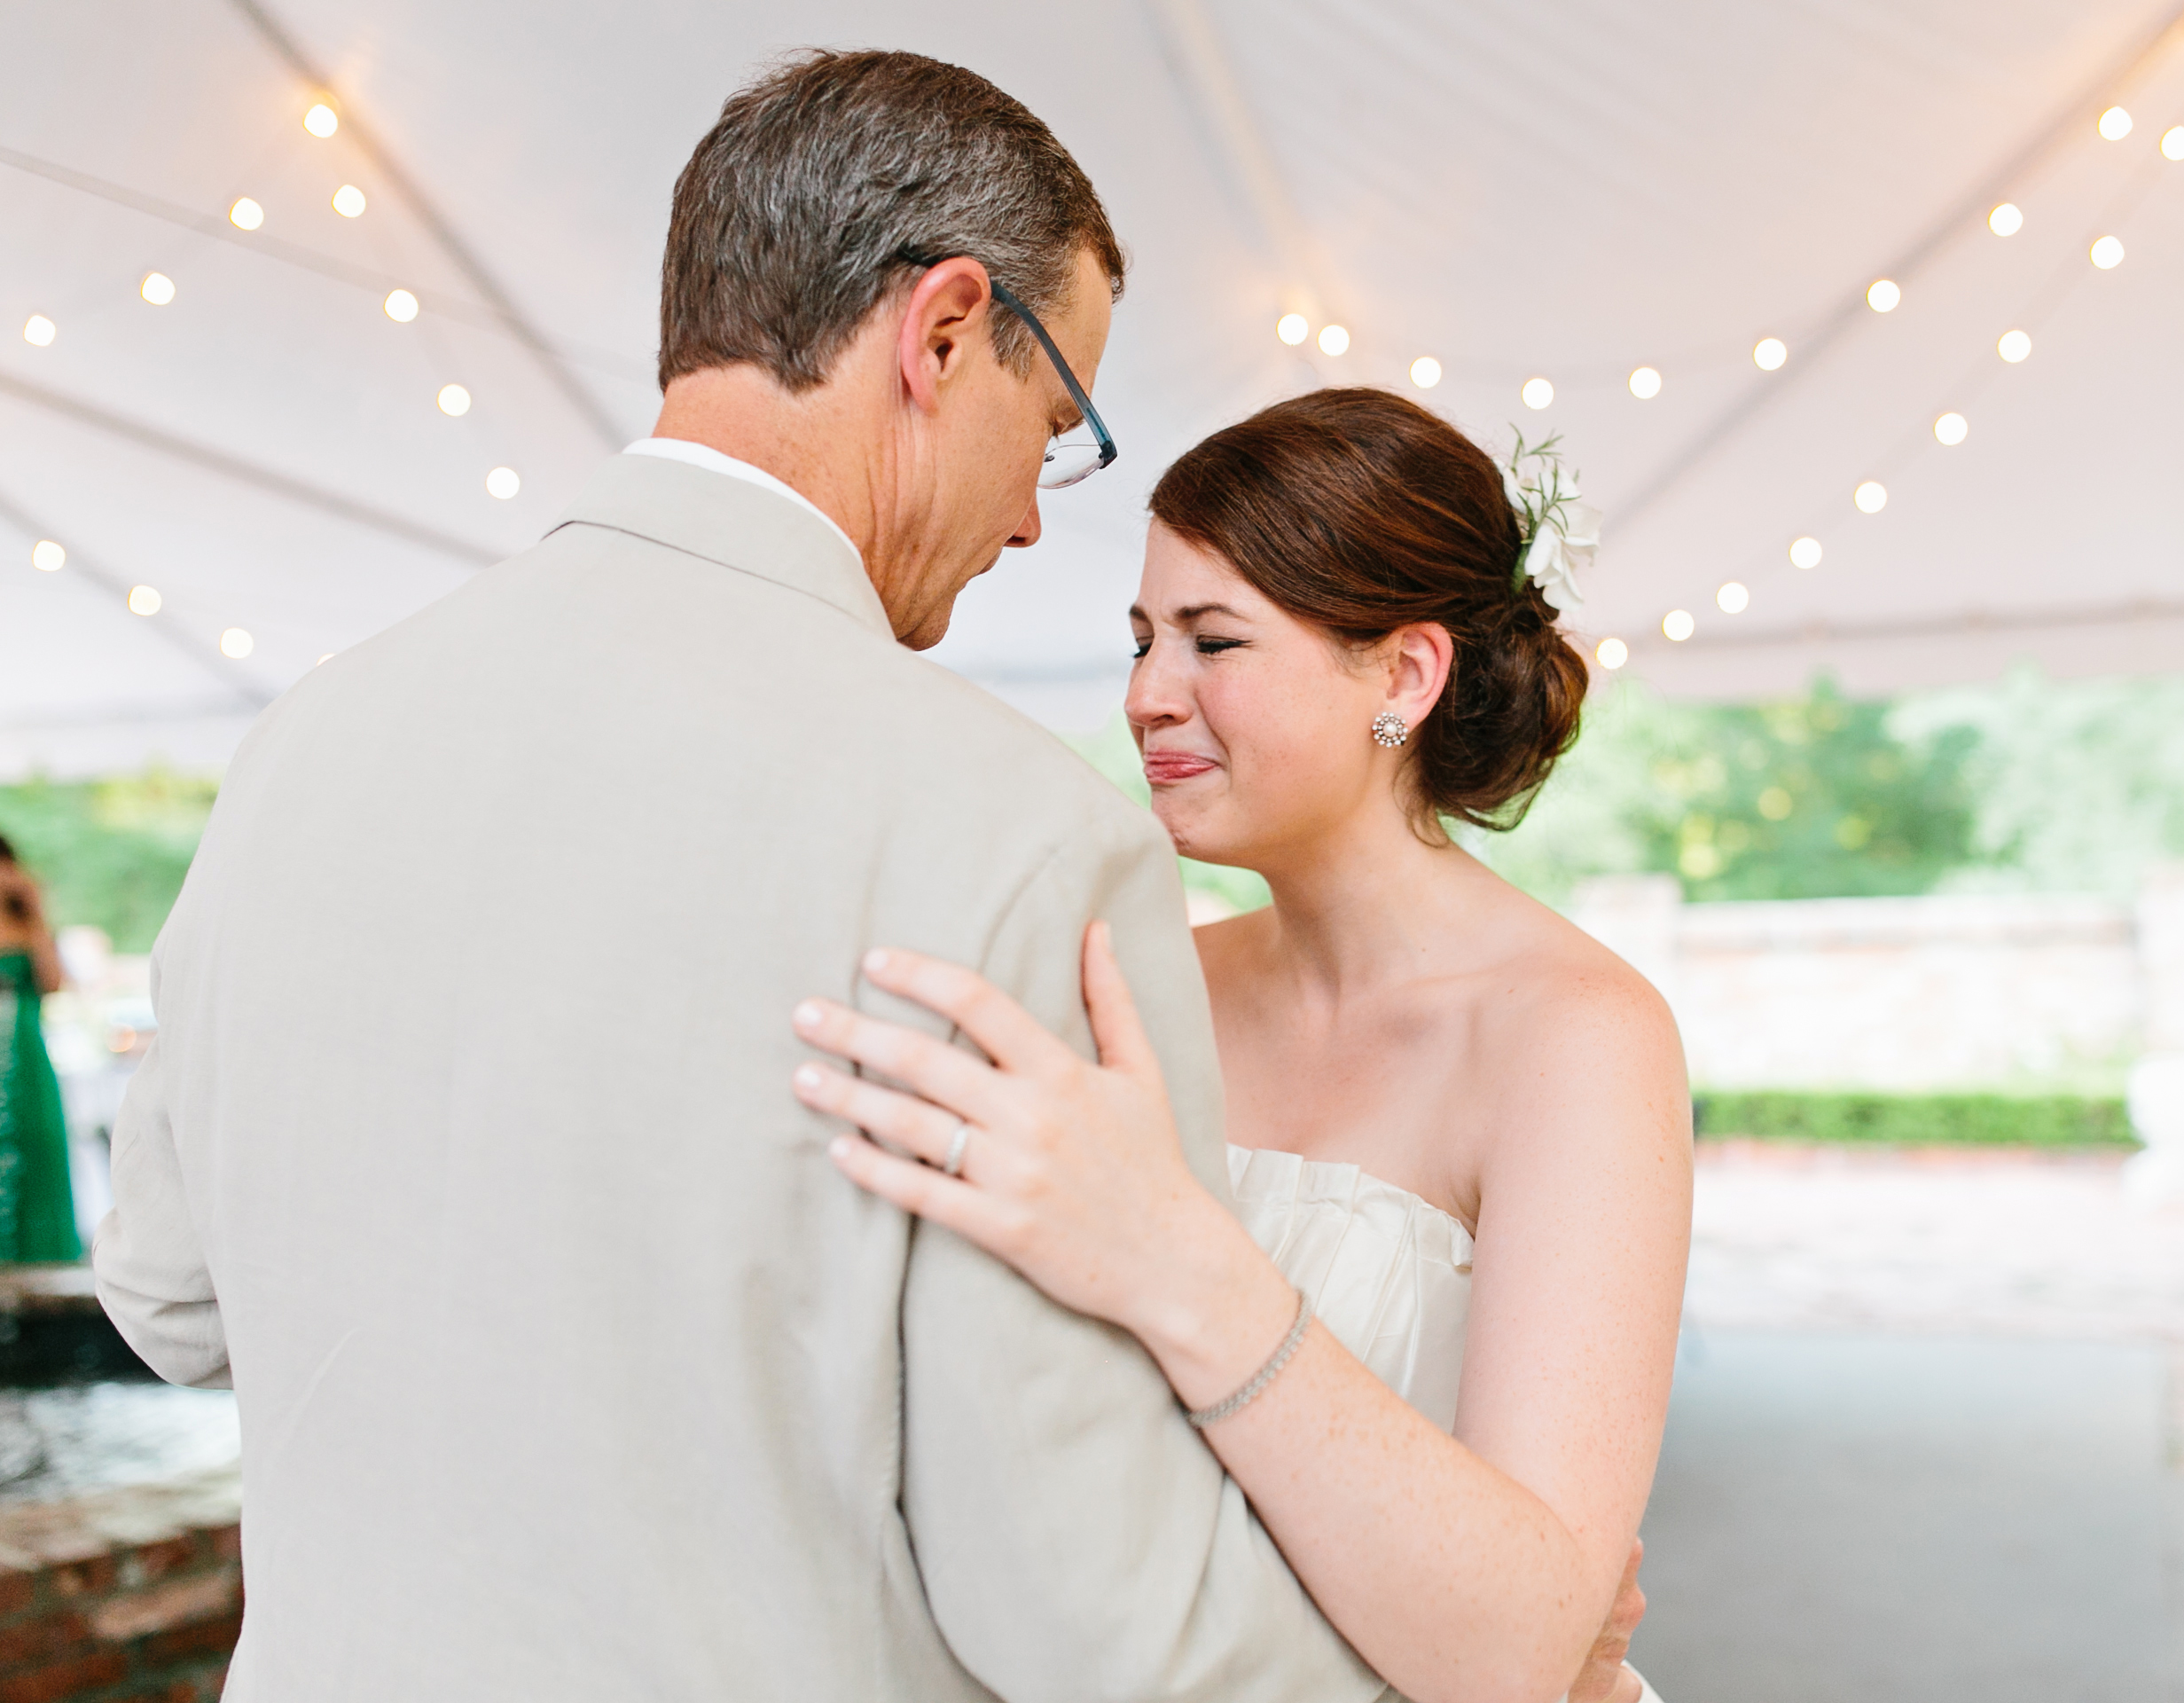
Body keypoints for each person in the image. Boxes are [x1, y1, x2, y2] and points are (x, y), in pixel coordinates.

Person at [96, 50, 1483, 1700]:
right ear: (945, 331)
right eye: (1056, 428)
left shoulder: (300, 749)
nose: (1037, 522)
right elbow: (1086, 1611)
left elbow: (168, 1300)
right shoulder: (1021, 838)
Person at [787, 390, 1693, 1703]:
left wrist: (1178, 1260)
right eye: (1144, 640)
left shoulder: (1576, 1040)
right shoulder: (1145, 983)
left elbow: (1514, 1648)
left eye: (1214, 641)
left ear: (1404, 677)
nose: (1149, 696)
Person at [0, 833, 82, 1263]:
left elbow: (53, 984)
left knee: (38, 1147)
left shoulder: (27, 922)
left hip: (26, 1056)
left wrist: (35, 912)